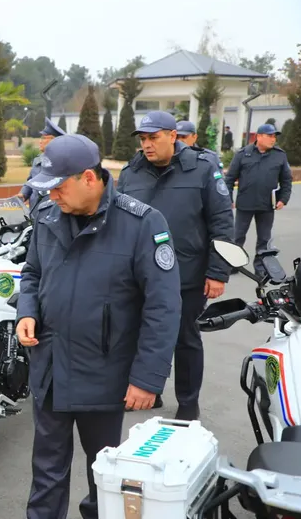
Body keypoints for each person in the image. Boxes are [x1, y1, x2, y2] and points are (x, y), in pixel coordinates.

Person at [16, 134, 181, 519]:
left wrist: (147, 378)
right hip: (50, 368)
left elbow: (163, 307)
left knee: (103, 474)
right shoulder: (48, 215)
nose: (52, 195)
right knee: (46, 471)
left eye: (59, 187)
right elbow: (32, 272)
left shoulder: (141, 223)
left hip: (104, 374)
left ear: (89, 178)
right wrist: (27, 312)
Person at [116, 111, 234, 421]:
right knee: (139, 335)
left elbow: (222, 223)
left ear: (172, 136)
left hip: (187, 274)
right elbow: (118, 223)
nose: (147, 145)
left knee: (184, 339)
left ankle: (188, 402)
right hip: (139, 276)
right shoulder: (131, 173)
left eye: (153, 138)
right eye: (143, 139)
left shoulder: (203, 169)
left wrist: (217, 272)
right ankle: (148, 390)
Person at [223, 123, 292, 277]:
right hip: (245, 204)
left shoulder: (280, 155)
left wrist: (283, 199)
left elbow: (286, 180)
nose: (273, 139)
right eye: (270, 136)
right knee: (237, 236)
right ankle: (234, 264)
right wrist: (228, 198)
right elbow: (229, 179)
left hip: (267, 205)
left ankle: (261, 267)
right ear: (258, 137)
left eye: (274, 136)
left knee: (264, 239)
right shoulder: (243, 154)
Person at [18, 117, 66, 210]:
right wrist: (24, 193)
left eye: (44, 138)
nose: (40, 141)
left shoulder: (63, 162)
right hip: (35, 209)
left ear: (54, 141)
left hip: (52, 210)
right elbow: (31, 181)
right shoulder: (37, 160)